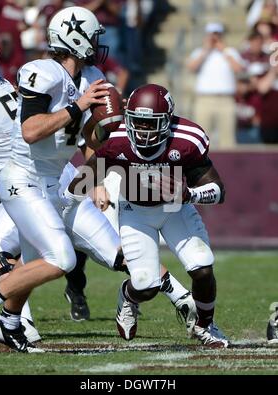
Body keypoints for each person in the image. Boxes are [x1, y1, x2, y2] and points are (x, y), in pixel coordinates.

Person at [0, 6, 111, 353]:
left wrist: (95, 173)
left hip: (55, 181)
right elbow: (30, 130)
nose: (97, 43)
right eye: (93, 36)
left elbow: (89, 141)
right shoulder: (43, 72)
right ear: (75, 38)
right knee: (60, 259)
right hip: (23, 180)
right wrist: (80, 106)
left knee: (35, 261)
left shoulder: (90, 75)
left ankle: (10, 323)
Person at [69, 83, 229, 348]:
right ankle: (128, 296)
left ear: (167, 121)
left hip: (174, 209)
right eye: (138, 122)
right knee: (146, 286)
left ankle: (204, 326)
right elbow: (84, 179)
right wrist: (71, 200)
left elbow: (218, 190)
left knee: (202, 267)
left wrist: (189, 194)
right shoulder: (115, 137)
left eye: (149, 123)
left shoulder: (187, 139)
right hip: (135, 210)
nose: (142, 130)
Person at [0, 39, 40, 343]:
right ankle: (19, 321)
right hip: (39, 177)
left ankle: (14, 318)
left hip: (26, 186)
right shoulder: (2, 83)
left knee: (60, 258)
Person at [187, 22, 244, 149]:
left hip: (226, 100)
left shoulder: (230, 52)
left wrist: (224, 50)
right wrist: (206, 50)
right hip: (204, 100)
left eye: (217, 34)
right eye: (212, 34)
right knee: (200, 140)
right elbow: (191, 67)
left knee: (228, 141)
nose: (214, 37)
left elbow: (239, 69)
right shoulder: (199, 52)